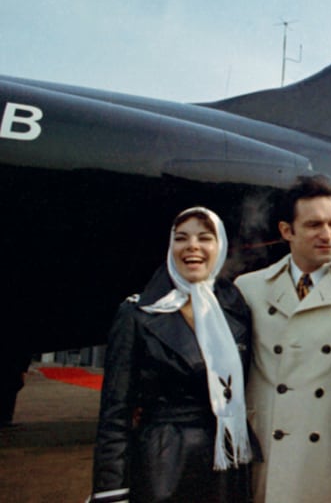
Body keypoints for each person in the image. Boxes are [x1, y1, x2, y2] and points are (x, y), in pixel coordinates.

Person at [89, 207, 254, 502]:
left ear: (220, 247)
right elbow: (115, 413)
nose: (192, 246)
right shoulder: (137, 314)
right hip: (162, 464)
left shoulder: (235, 309)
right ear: (170, 248)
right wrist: (111, 491)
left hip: (227, 467)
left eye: (205, 238)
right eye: (181, 238)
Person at [235, 175, 331, 503]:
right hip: (269, 450)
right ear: (287, 231)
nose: (327, 234)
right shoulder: (249, 288)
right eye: (314, 225)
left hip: (330, 450)